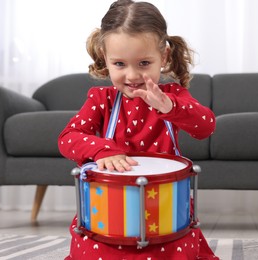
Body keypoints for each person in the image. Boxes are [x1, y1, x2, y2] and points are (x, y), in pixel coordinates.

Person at [58, 0, 218, 259]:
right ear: (105, 58)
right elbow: (67, 138)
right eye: (120, 64)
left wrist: (169, 107)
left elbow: (206, 126)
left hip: (164, 213)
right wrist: (102, 150)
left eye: (144, 63)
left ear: (163, 57)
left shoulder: (173, 96)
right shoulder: (101, 99)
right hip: (109, 214)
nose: (132, 75)